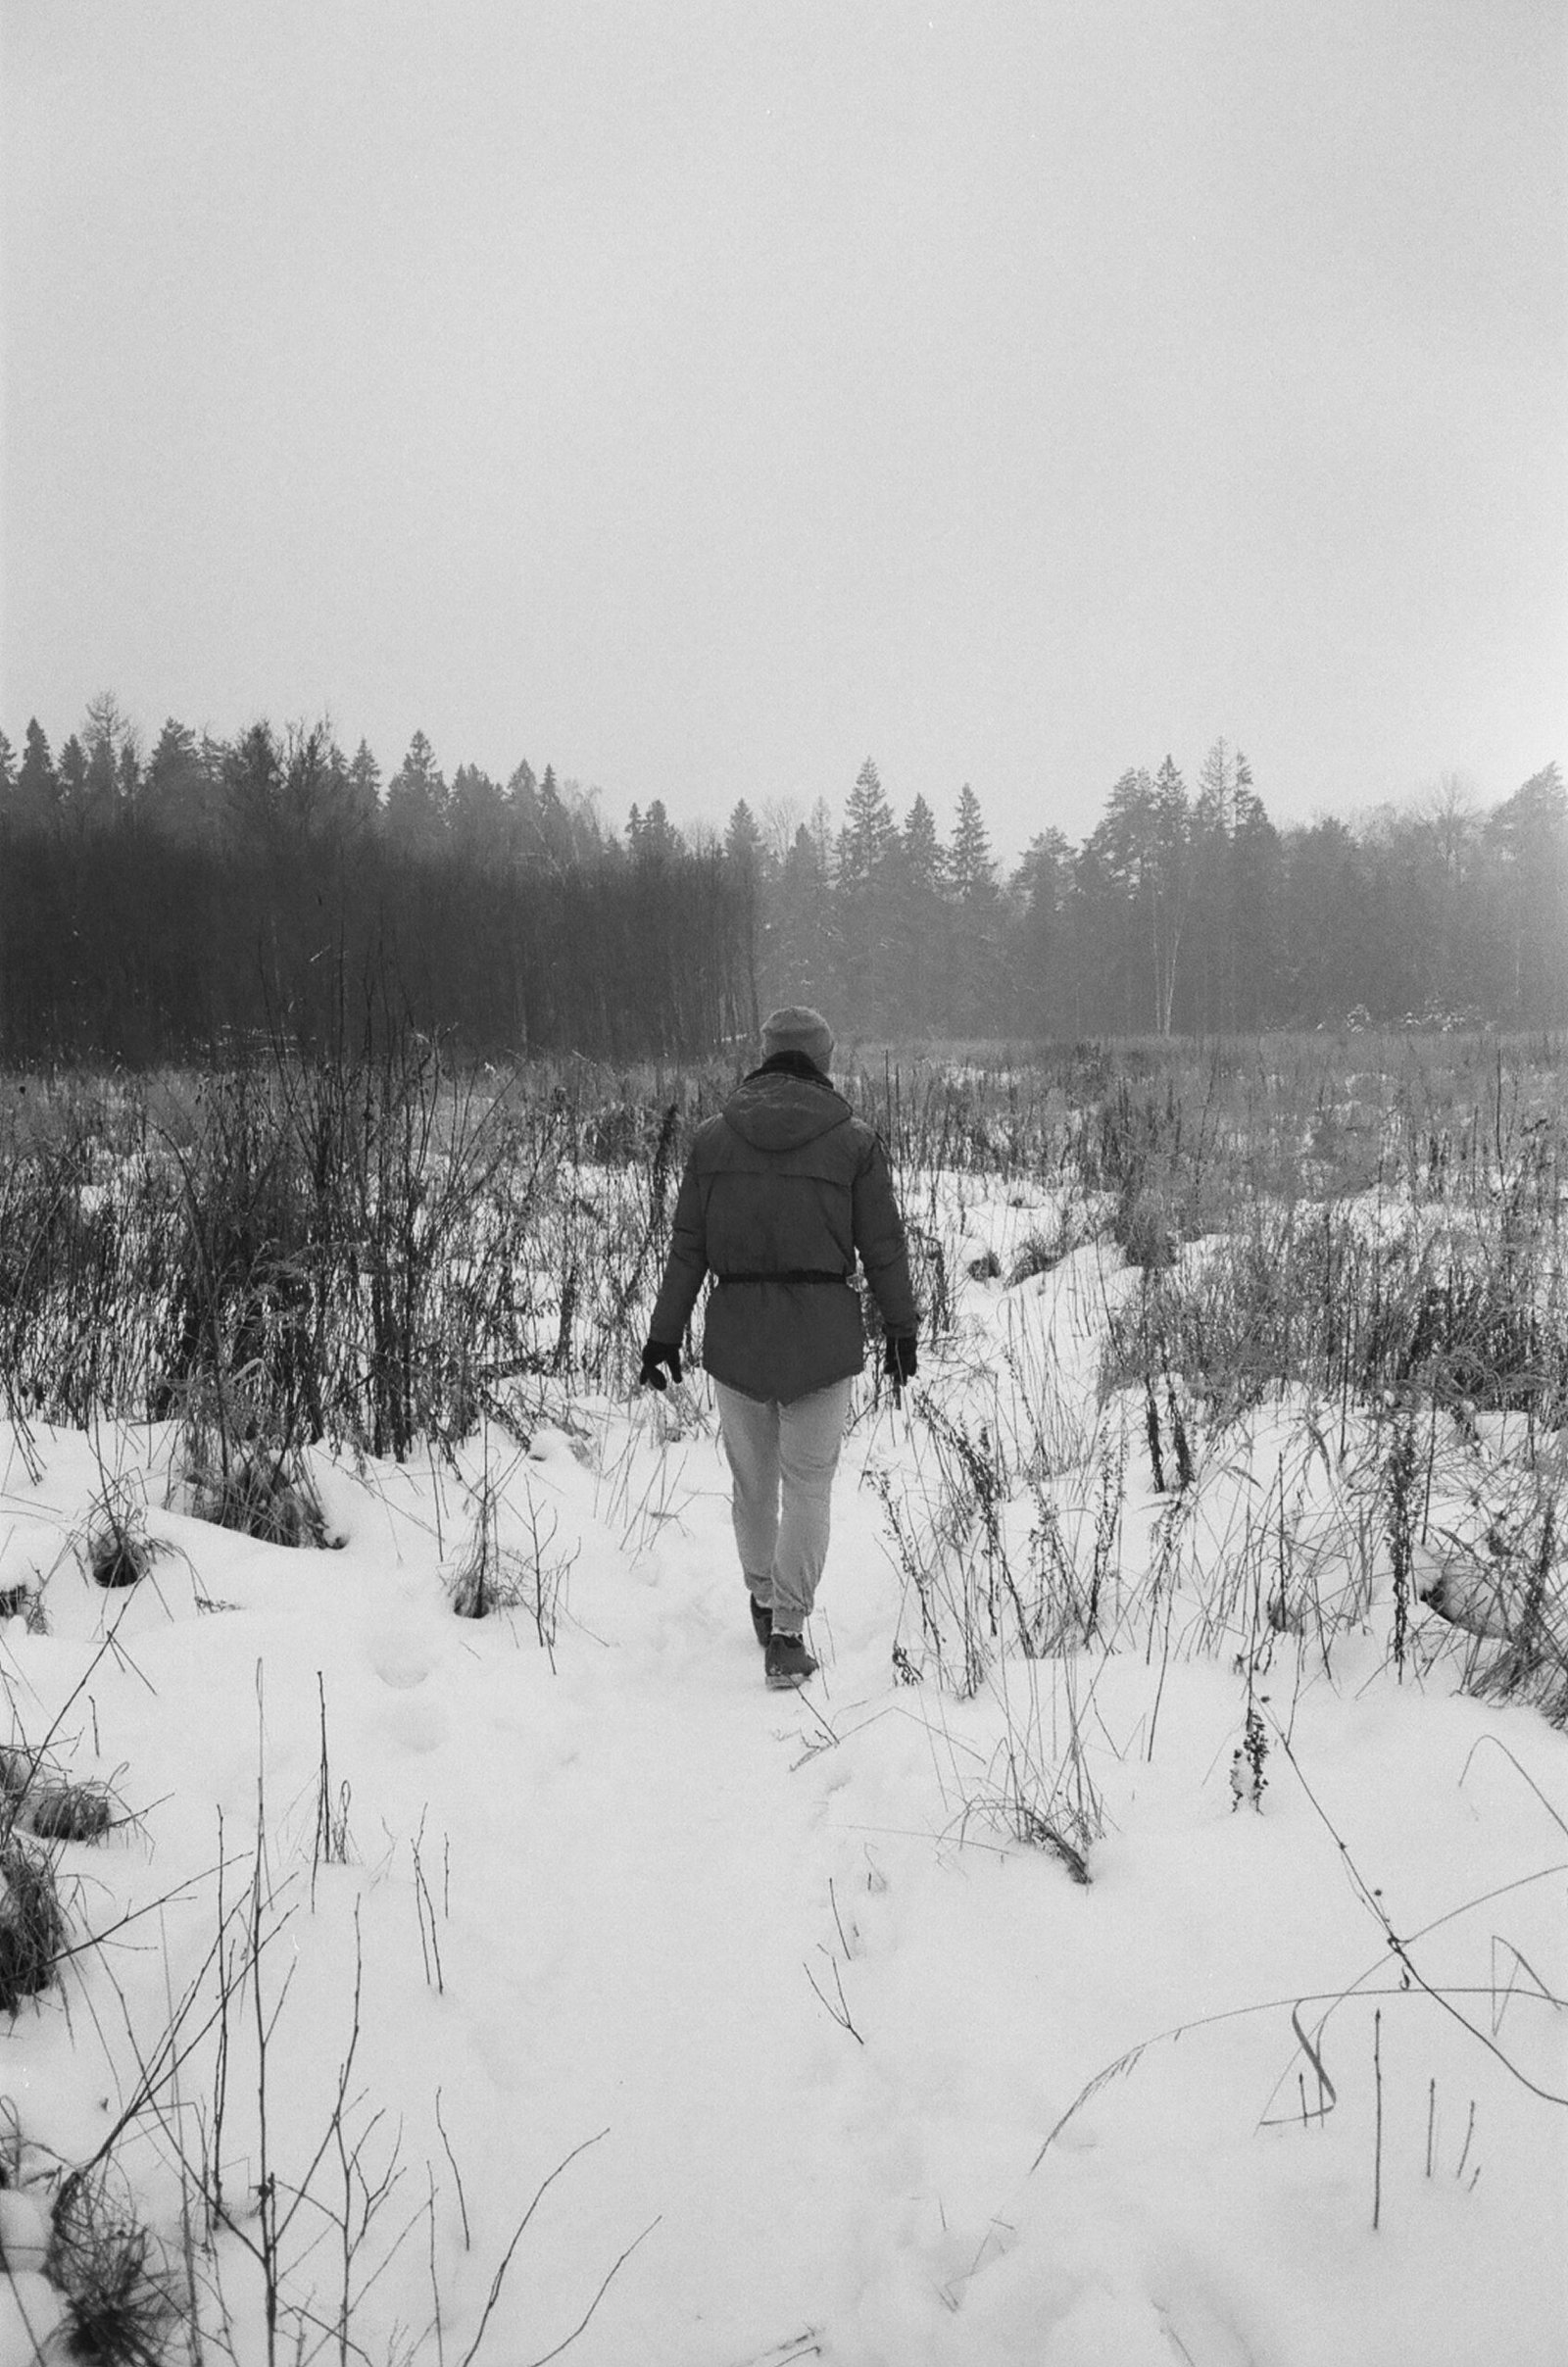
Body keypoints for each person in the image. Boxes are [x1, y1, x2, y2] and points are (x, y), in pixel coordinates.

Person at [639, 1006, 918, 1689]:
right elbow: (883, 1247)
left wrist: (663, 1334)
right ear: (823, 1058)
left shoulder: (712, 1140)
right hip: (821, 1340)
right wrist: (901, 1328)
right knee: (809, 1486)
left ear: (765, 1056)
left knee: (754, 1485)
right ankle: (788, 1633)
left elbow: (688, 1249)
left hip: (737, 1336)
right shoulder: (854, 1143)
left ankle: (764, 1599)